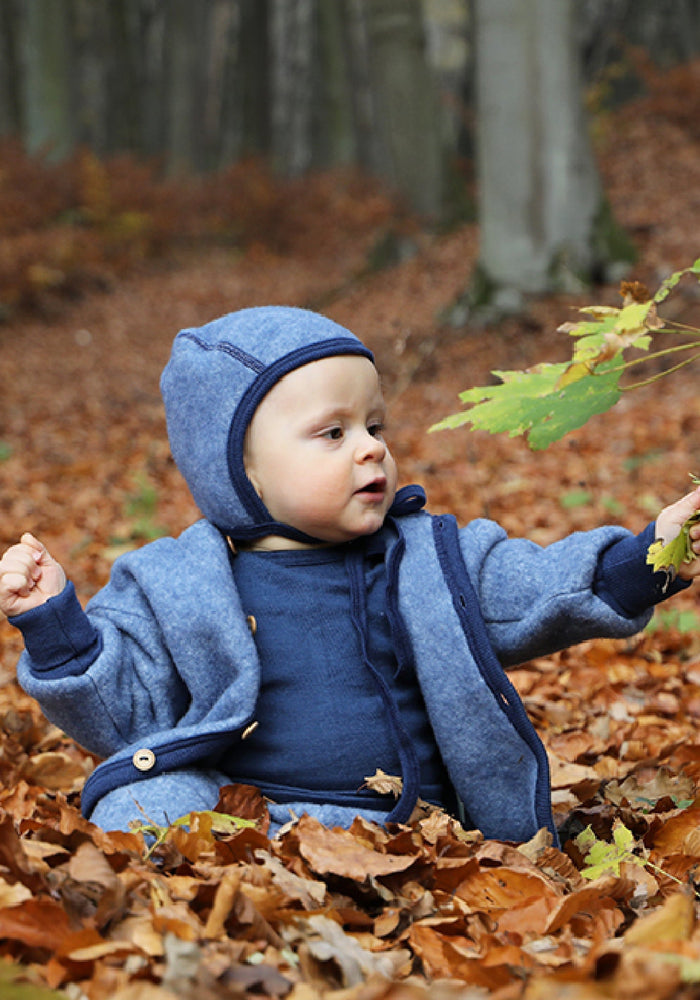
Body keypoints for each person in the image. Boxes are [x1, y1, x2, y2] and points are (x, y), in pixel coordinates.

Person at [1, 306, 699, 844]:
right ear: (239, 469)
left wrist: (649, 559)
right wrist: (56, 625)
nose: (370, 449)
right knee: (135, 804)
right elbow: (124, 716)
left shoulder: (427, 557)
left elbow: (541, 588)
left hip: (414, 823)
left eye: (375, 426)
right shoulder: (175, 584)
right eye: (334, 433)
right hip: (253, 825)